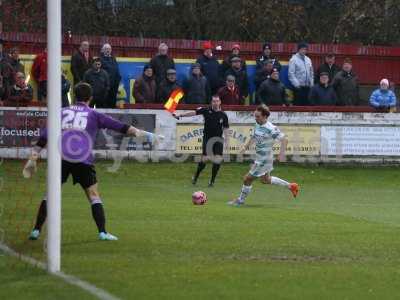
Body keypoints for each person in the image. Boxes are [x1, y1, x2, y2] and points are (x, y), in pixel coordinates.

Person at [25, 82, 163, 241]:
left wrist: (32, 159)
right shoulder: (94, 114)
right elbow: (122, 127)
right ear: (90, 98)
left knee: (50, 195)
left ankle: (36, 230)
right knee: (93, 195)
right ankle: (103, 232)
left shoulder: (61, 113)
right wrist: (148, 135)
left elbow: (44, 138)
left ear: (74, 96)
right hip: (83, 159)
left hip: (61, 159)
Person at [228, 105, 299, 206]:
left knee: (247, 179)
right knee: (266, 180)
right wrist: (244, 148)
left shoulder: (271, 128)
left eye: (258, 116)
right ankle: (291, 186)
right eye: (255, 116)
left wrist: (281, 154)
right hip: (260, 157)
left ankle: (240, 200)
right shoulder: (257, 124)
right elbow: (253, 137)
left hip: (264, 159)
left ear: (265, 116)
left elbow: (284, 140)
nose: (256, 118)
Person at [173, 95, 229, 187]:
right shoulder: (206, 110)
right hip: (207, 138)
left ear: (220, 102)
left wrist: (227, 141)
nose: (215, 103)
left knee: (217, 160)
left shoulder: (223, 115)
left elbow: (226, 128)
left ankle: (212, 181)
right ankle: (196, 176)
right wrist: (180, 115)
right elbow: (193, 113)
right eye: (214, 101)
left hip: (218, 139)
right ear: (211, 102)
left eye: (217, 101)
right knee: (204, 160)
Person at [100, 43, 121, 108]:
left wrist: (118, 78)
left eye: (109, 49)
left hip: (114, 85)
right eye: (106, 49)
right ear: (102, 50)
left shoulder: (113, 58)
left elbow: (116, 69)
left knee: (112, 102)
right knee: (105, 103)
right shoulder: (100, 60)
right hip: (105, 86)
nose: (108, 50)